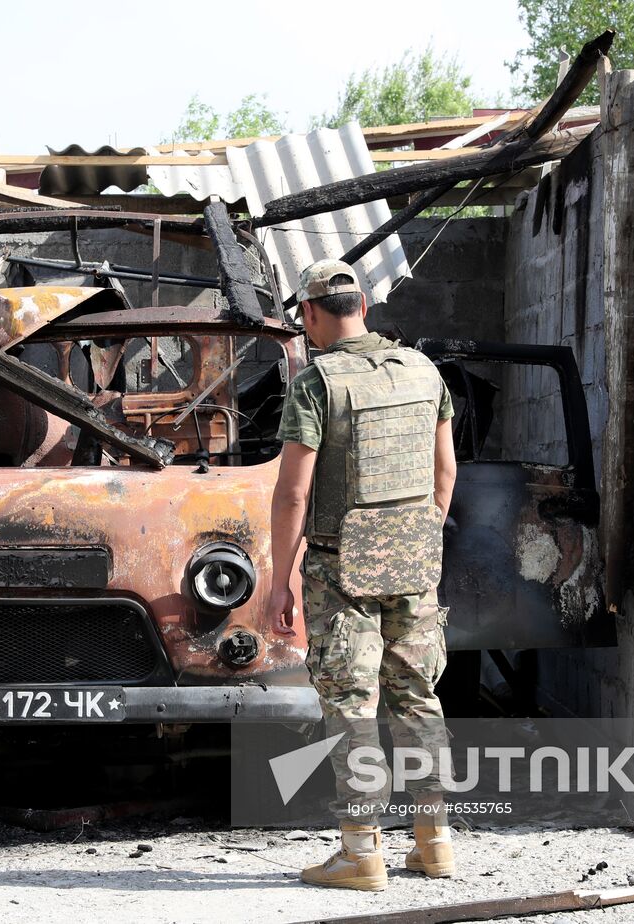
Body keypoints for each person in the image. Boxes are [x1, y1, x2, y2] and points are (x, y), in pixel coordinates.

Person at [265, 260, 458, 891]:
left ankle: (360, 853)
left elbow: (293, 494)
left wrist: (279, 582)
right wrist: (418, 537)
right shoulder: (424, 369)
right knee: (417, 695)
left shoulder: (316, 383)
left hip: (340, 562)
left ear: (310, 314)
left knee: (352, 703)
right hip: (413, 558)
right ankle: (434, 844)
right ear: (365, 307)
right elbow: (445, 473)